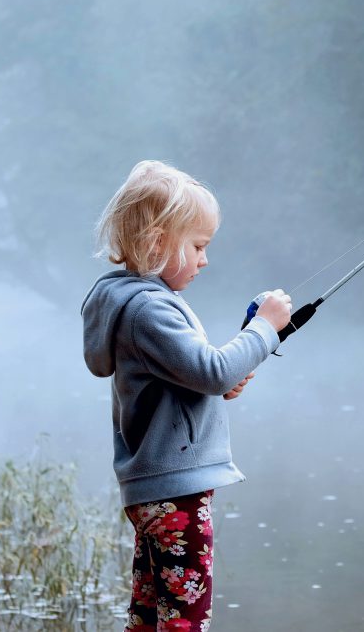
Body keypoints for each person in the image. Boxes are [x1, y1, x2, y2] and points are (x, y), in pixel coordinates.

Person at [81, 160, 292, 631]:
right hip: (175, 489)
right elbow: (212, 370)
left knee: (150, 610)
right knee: (186, 617)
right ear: (157, 242)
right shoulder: (150, 308)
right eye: (198, 246)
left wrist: (216, 388)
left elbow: (192, 376)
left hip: (154, 487)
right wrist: (265, 328)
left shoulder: (130, 303)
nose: (204, 259)